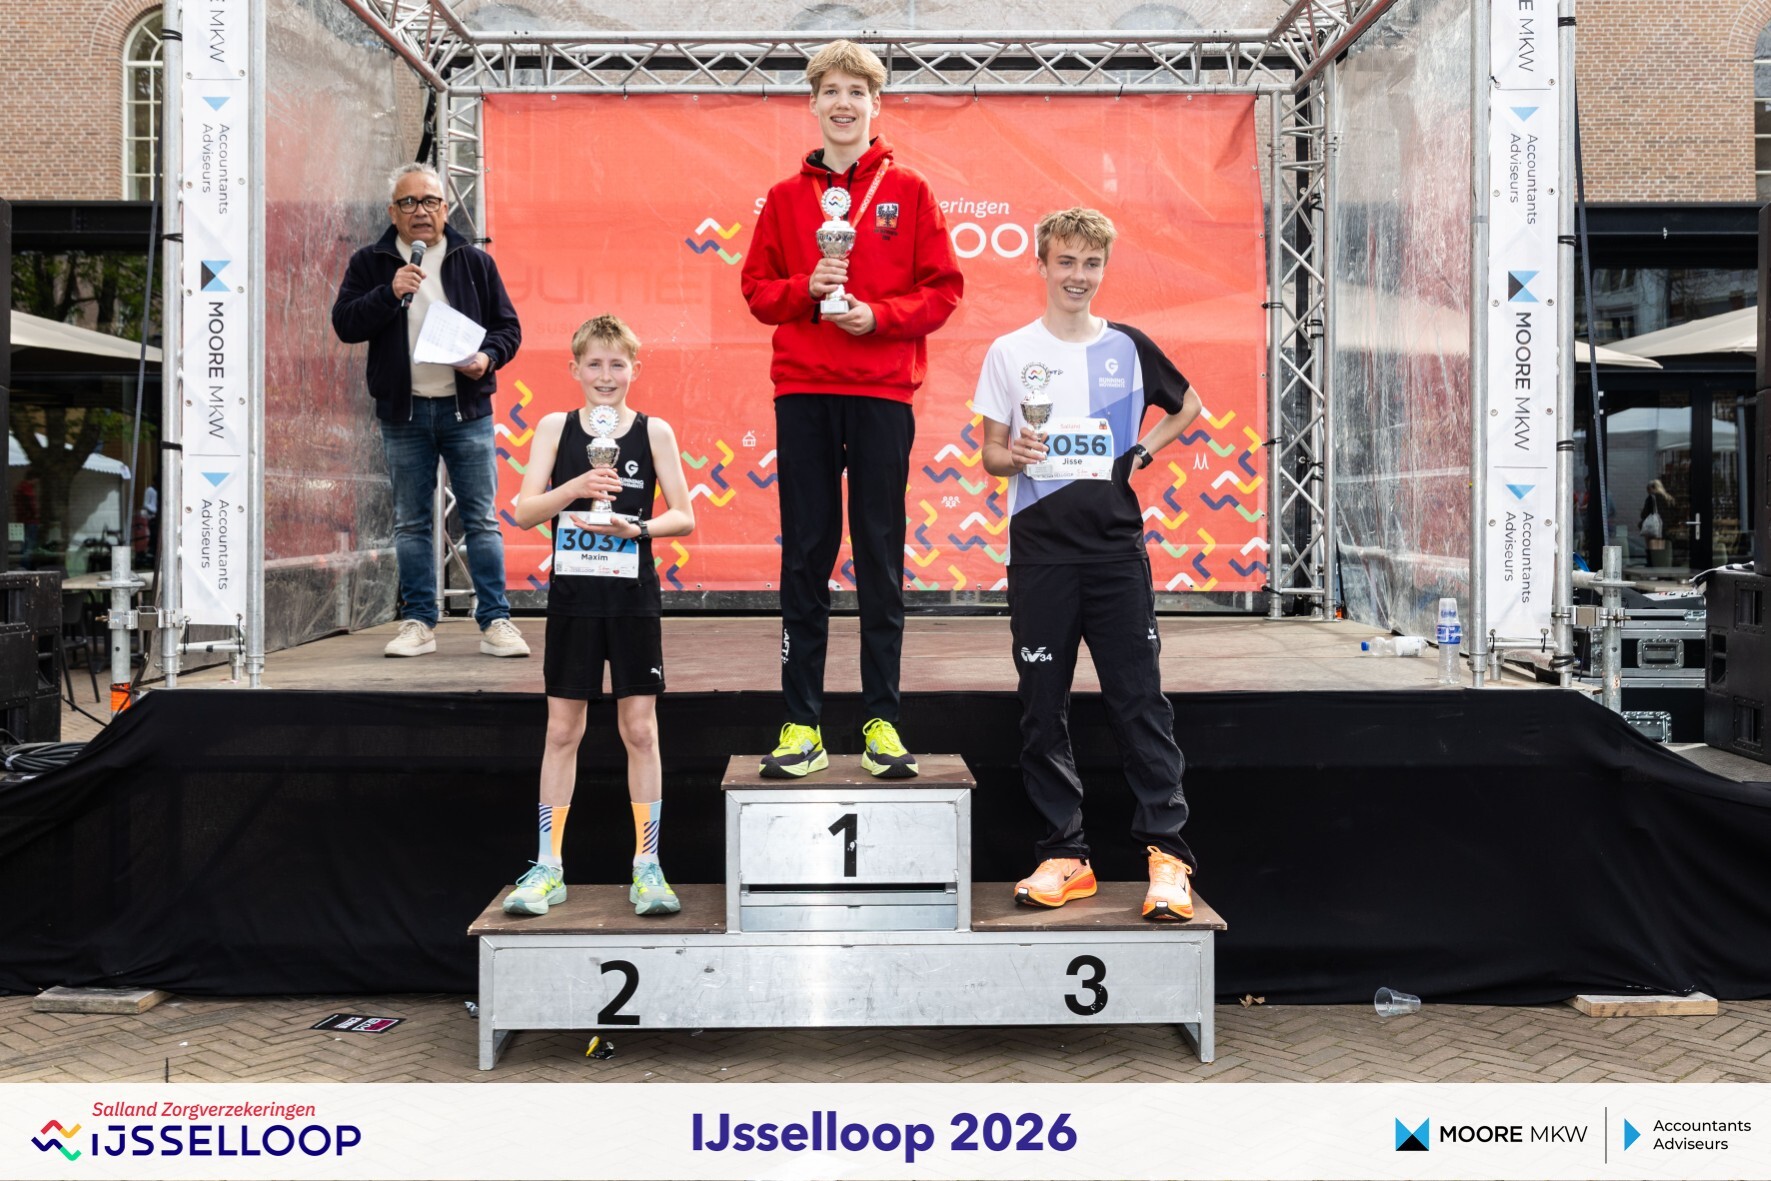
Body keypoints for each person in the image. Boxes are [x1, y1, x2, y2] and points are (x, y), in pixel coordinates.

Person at [740, 39, 964, 780]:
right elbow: (757, 292)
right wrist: (806, 289)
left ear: (876, 104)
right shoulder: (784, 197)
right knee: (806, 554)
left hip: (880, 391)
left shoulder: (910, 190)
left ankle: (881, 720)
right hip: (804, 390)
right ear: (812, 103)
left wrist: (880, 317)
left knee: (879, 553)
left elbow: (943, 290)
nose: (843, 103)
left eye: (856, 92)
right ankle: (800, 722)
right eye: (830, 91)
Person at [975, 208, 1205, 921]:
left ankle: (1167, 857)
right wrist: (1013, 454)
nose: (1078, 275)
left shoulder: (1128, 347)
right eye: (1066, 261)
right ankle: (1064, 855)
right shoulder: (1009, 351)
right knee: (1042, 709)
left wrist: (1142, 453)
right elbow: (989, 454)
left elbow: (1188, 405)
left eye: (1091, 263)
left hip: (1113, 554)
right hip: (1039, 554)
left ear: (1104, 268)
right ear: (1042, 264)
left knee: (1139, 702)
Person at [500, 314, 695, 918]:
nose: (605, 375)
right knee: (563, 731)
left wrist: (637, 528)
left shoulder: (654, 430)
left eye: (617, 364)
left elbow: (684, 516)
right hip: (574, 598)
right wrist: (576, 487)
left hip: (632, 596)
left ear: (635, 369)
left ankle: (647, 866)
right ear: (574, 369)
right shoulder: (554, 427)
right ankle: (548, 866)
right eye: (594, 364)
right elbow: (525, 512)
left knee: (640, 730)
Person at [331, 162, 530, 659]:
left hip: (467, 413)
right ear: (391, 212)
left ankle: (496, 620)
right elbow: (345, 324)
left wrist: (487, 358)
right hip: (404, 415)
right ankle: (419, 620)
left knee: (481, 519)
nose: (420, 211)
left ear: (445, 207)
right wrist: (389, 292)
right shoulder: (371, 262)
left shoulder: (474, 261)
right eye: (409, 202)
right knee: (411, 522)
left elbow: (508, 328)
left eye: (430, 201)